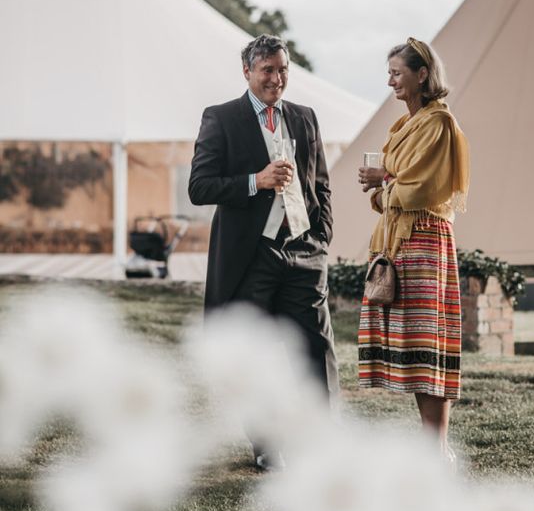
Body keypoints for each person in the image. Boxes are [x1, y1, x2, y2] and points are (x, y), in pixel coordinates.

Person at [188, 34, 338, 470]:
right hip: (251, 257)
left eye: (283, 69)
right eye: (268, 69)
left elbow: (321, 184)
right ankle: (267, 445)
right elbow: (199, 187)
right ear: (248, 72)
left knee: (316, 348)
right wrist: (256, 180)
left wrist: (321, 236)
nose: (277, 77)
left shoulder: (305, 118)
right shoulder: (221, 118)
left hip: (304, 252)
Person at [357, 37, 470, 463]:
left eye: (397, 73)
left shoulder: (438, 124)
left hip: (423, 243)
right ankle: (432, 447)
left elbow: (421, 189)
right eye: (388, 74)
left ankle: (436, 450)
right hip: (398, 242)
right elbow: (391, 187)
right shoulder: (405, 126)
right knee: (412, 348)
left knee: (429, 344)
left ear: (422, 74)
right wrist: (383, 183)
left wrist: (383, 181)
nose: (391, 82)